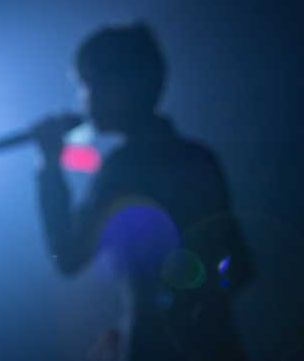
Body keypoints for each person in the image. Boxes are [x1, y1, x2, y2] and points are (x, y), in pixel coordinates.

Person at [31, 22, 254, 361]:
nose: (83, 101)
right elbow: (240, 266)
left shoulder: (124, 167)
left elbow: (69, 256)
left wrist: (50, 165)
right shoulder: (198, 157)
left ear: (117, 91)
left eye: (89, 86)